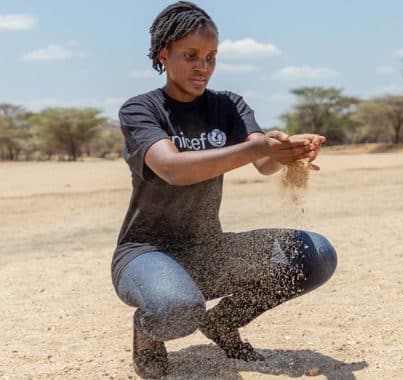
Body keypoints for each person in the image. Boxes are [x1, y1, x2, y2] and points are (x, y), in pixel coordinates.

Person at [111, 1, 337, 378]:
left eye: (211, 57)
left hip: (208, 250)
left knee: (316, 254)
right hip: (146, 255)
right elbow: (172, 169)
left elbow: (264, 162)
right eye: (191, 55)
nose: (203, 66)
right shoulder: (141, 110)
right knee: (176, 310)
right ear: (163, 54)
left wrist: (287, 152)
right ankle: (148, 331)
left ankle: (221, 323)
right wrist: (256, 147)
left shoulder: (228, 105)